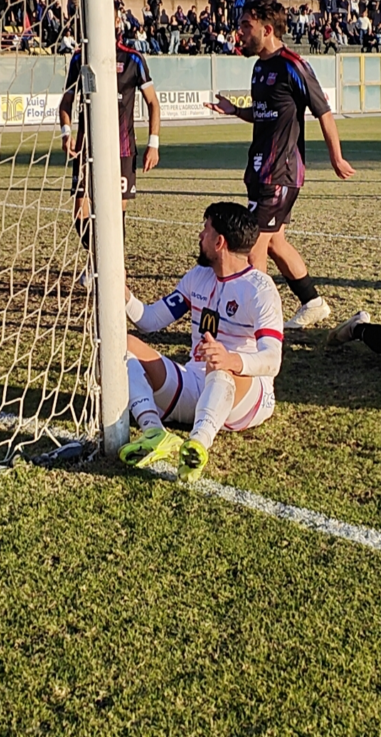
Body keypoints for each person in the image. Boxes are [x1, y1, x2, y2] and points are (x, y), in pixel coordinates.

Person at [206, 0, 355, 329]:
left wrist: (336, 157)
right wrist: (236, 111)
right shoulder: (260, 67)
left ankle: (256, 323)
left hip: (281, 172)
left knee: (253, 249)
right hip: (260, 169)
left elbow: (324, 113)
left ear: (268, 29)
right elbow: (264, 115)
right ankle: (313, 302)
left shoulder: (293, 65)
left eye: (246, 26)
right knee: (273, 243)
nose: (240, 32)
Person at [120, 202, 283, 482]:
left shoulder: (260, 289)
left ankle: (198, 444)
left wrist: (231, 360)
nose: (199, 236)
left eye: (205, 229)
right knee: (121, 344)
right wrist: (123, 294)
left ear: (219, 242)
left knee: (217, 367)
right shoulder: (198, 277)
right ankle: (154, 432)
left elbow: (272, 360)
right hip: (194, 382)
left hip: (245, 395)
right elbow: (149, 320)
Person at [59, 36, 161, 266]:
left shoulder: (133, 58)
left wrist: (153, 143)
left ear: (116, 23)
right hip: (87, 149)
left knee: (116, 218)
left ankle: (109, 269)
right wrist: (66, 133)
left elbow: (152, 102)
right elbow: (66, 101)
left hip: (122, 150)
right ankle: (99, 262)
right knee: (80, 213)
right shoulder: (80, 57)